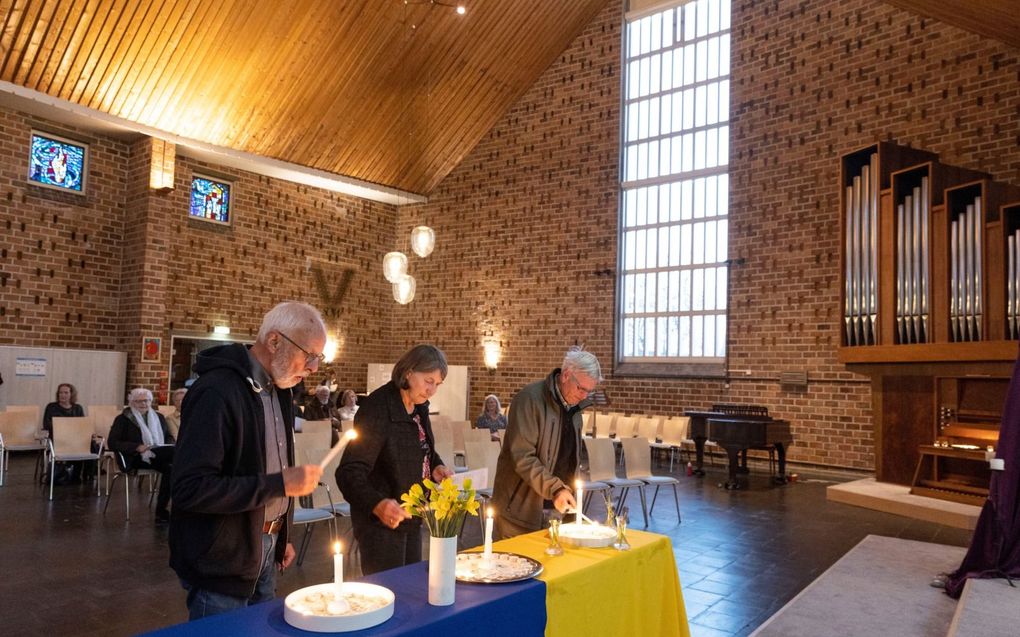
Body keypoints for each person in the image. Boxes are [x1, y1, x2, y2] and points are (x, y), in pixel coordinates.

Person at [169, 301, 326, 620]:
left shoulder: (280, 389)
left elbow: (272, 461)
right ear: (274, 341)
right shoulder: (216, 392)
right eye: (309, 355)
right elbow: (191, 488)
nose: (313, 368)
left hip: (264, 547)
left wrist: (281, 534)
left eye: (318, 358)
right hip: (222, 556)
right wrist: (279, 484)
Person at [338, 344, 455, 575]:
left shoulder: (418, 406)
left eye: (438, 384)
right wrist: (378, 504)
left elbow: (421, 446)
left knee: (409, 588)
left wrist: (435, 465)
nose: (432, 390)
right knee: (388, 594)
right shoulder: (378, 408)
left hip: (412, 514)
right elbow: (349, 471)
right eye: (428, 381)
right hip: (382, 524)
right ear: (409, 372)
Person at [490, 347, 602, 540]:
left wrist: (567, 492)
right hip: (520, 511)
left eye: (589, 391)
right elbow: (523, 457)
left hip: (559, 508)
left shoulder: (575, 410)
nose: (584, 396)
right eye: (581, 388)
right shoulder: (530, 400)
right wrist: (556, 488)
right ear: (566, 375)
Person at [107, 387, 175, 523]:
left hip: (157, 453)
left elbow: (168, 437)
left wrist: (168, 443)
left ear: (151, 401)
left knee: (173, 469)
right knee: (177, 459)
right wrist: (137, 447)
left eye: (147, 400)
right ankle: (164, 511)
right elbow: (113, 442)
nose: (143, 404)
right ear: (132, 403)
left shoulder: (159, 417)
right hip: (135, 457)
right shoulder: (123, 419)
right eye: (139, 401)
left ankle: (162, 511)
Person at [42, 382, 88, 484]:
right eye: (61, 392)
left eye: (66, 392)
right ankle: (65, 474)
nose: (63, 395)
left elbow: (82, 425)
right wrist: (64, 430)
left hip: (75, 439)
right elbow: (47, 424)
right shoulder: (51, 407)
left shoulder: (77, 408)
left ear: (71, 394)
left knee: (92, 445)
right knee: (75, 446)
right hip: (58, 439)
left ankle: (86, 475)